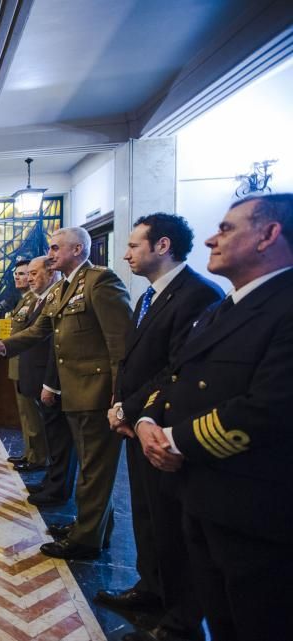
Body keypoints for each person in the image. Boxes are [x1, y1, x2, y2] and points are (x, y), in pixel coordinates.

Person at [129, 194, 293, 641]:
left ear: (269, 235)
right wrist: (146, 422)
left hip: (255, 506)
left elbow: (268, 409)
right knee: (219, 614)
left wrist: (175, 440)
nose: (209, 238)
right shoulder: (225, 308)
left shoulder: (281, 307)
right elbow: (176, 375)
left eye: (225, 229)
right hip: (200, 491)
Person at [97, 214, 223, 641]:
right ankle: (151, 588)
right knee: (148, 517)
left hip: (167, 430)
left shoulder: (198, 295)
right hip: (138, 422)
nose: (126, 253)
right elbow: (131, 360)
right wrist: (119, 405)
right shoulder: (148, 296)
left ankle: (181, 619)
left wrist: (130, 408)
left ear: (162, 246)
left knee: (174, 526)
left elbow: (177, 368)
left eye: (134, 245)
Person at [0, 227, 132, 559]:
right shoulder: (61, 290)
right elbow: (38, 332)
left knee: (95, 471)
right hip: (75, 393)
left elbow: (120, 345)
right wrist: (0, 347)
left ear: (77, 249)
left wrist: (119, 394)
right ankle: (92, 528)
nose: (49, 255)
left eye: (54, 249)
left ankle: (85, 540)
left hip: (97, 394)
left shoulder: (100, 282)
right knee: (89, 468)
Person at [18, 256, 78, 507]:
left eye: (34, 273)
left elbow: (55, 344)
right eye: (27, 274)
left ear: (51, 273)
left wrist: (50, 383)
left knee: (60, 439)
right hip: (39, 375)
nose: (30, 278)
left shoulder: (56, 297)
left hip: (52, 379)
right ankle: (51, 481)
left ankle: (58, 488)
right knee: (52, 435)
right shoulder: (39, 299)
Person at [6, 259, 46, 467]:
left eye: (26, 274)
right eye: (18, 275)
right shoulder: (23, 299)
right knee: (25, 414)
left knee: (33, 415)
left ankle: (37, 458)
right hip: (18, 363)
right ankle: (29, 452)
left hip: (29, 365)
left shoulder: (36, 299)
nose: (21, 278)